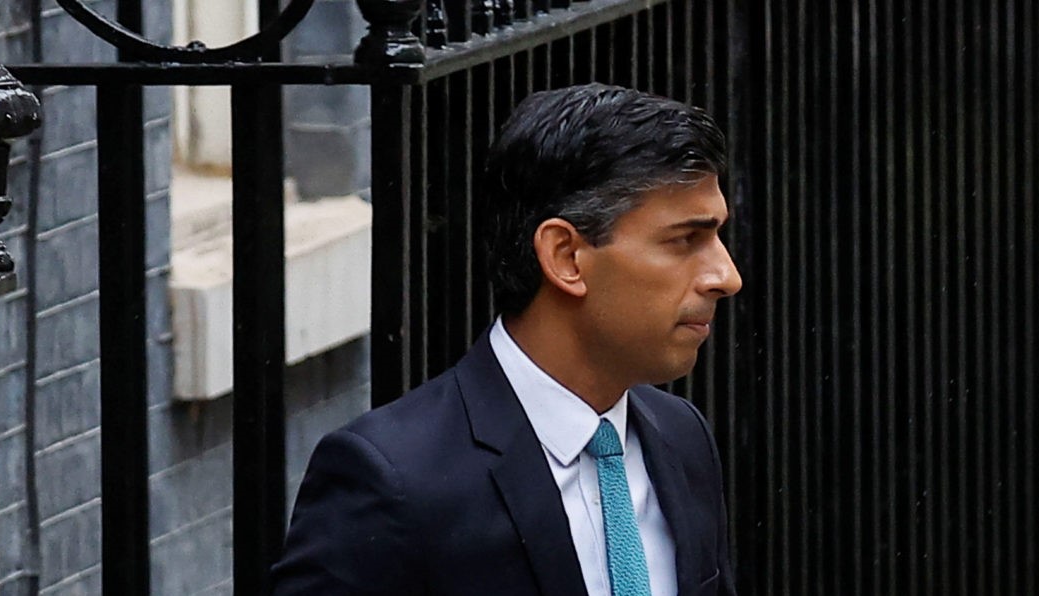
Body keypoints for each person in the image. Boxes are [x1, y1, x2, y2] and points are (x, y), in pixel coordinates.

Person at [271, 83, 742, 596]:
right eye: (685, 240)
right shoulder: (393, 480)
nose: (726, 276)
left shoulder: (680, 436)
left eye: (717, 237)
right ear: (565, 256)